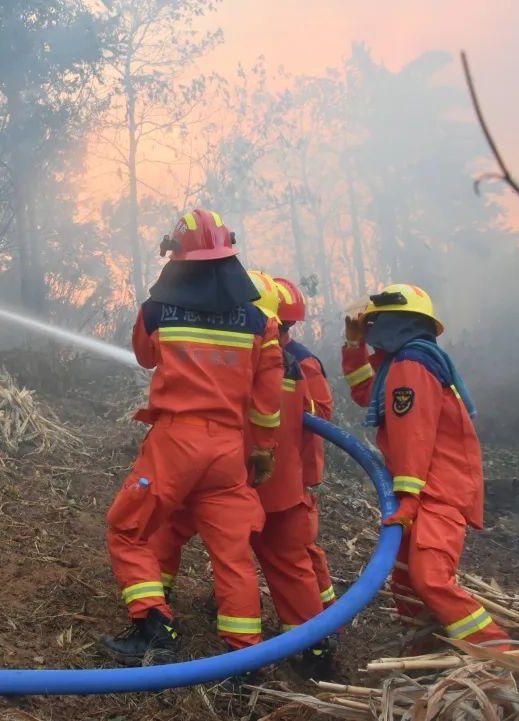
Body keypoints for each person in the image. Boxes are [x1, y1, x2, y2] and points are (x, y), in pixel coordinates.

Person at [101, 209, 282, 663]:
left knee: (128, 528)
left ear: (179, 259)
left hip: (176, 443)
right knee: (232, 554)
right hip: (227, 449)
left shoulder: (158, 311)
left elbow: (145, 357)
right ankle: (244, 655)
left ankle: (154, 626)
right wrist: (263, 450)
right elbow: (268, 398)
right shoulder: (262, 324)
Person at [146, 271, 335, 678]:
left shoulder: (251, 361)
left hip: (224, 479)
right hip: (276, 488)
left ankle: (156, 610)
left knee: (173, 531)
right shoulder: (291, 366)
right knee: (286, 564)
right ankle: (315, 646)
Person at [343, 284, 512, 650]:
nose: (369, 332)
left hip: (435, 489)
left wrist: (408, 498)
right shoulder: (402, 363)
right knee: (405, 579)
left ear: (392, 322)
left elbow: (413, 435)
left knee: (430, 579)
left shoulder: (411, 366)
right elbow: (366, 395)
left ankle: (502, 654)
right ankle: (425, 653)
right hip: (425, 487)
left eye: (371, 325)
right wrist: (352, 348)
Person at [273, 277, 337, 612]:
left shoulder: (301, 360)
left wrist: (290, 398)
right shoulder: (259, 354)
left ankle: (326, 618)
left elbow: (322, 413)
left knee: (298, 547)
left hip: (295, 467)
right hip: (274, 464)